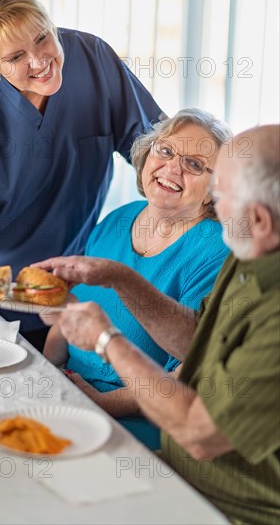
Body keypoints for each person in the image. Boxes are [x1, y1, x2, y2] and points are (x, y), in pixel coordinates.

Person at [35, 124, 280, 525]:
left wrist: (105, 339)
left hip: (229, 507)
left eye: (220, 194)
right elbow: (194, 342)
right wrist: (120, 276)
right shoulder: (251, 250)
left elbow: (199, 435)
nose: (215, 208)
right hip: (178, 466)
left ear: (258, 219)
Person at [0, 0, 165, 349]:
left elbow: (155, 150)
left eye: (43, 38)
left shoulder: (94, 60)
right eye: (15, 58)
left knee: (52, 394)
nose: (39, 62)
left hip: (58, 284)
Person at [41, 108, 231, 450]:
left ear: (213, 191)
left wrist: (99, 403)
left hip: (139, 426)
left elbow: (188, 374)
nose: (172, 168)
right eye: (166, 151)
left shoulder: (216, 251)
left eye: (194, 165)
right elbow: (73, 314)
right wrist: (46, 371)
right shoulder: (119, 218)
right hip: (66, 394)